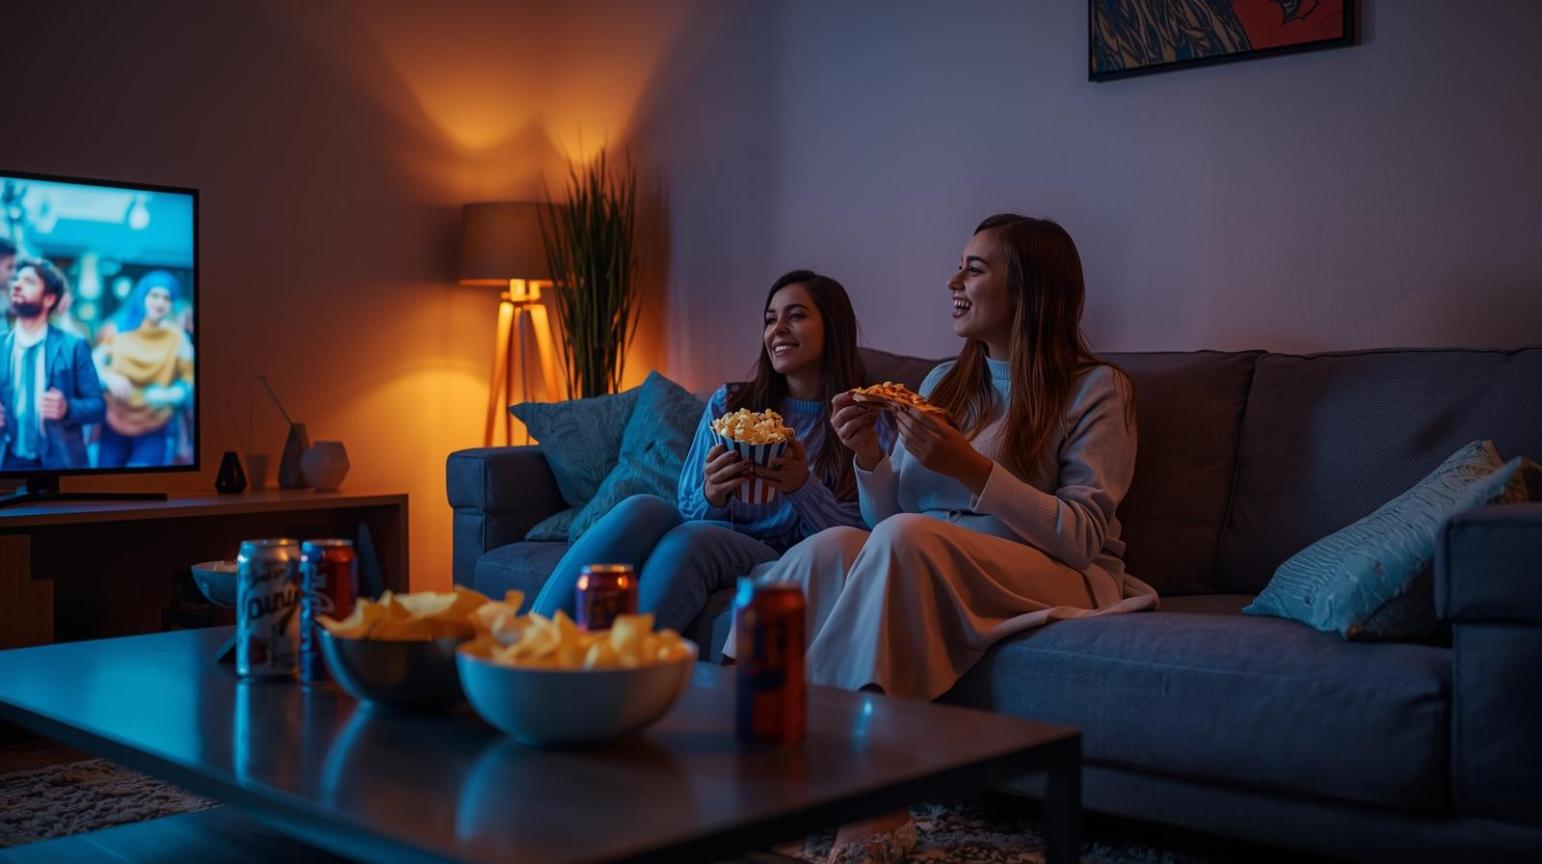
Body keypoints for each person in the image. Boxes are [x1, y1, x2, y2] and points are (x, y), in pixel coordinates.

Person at [726, 215, 1158, 863]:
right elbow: (881, 523)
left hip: (1058, 568)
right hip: (931, 553)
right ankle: (765, 776)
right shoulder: (938, 386)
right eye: (961, 265)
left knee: (907, 540)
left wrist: (970, 467)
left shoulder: (1097, 389)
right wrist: (869, 453)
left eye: (975, 268)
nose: (954, 280)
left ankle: (871, 793)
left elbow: (1083, 535)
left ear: (1029, 288)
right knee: (826, 550)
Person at [529, 270, 885, 631]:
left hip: (784, 554)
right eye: (770, 319)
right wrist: (712, 495)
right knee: (643, 507)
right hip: (714, 529)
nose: (777, 329)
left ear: (833, 327)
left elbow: (865, 536)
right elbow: (689, 509)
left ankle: (630, 663)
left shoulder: (861, 419)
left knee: (694, 540)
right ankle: (535, 641)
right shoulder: (729, 405)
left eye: (796, 316)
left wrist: (801, 487)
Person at [0, 259, 105, 470]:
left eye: (29, 281)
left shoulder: (74, 345)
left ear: (49, 298)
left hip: (58, 462)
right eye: (16, 279)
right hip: (7, 460)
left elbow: (98, 407)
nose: (17, 285)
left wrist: (67, 408)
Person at [92, 270, 194, 468]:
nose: (160, 303)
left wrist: (169, 394)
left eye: (166, 298)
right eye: (154, 295)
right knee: (106, 486)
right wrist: (107, 378)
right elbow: (92, 365)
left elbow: (189, 382)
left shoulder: (178, 339)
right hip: (114, 422)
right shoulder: (117, 329)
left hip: (154, 426)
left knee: (142, 487)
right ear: (142, 297)